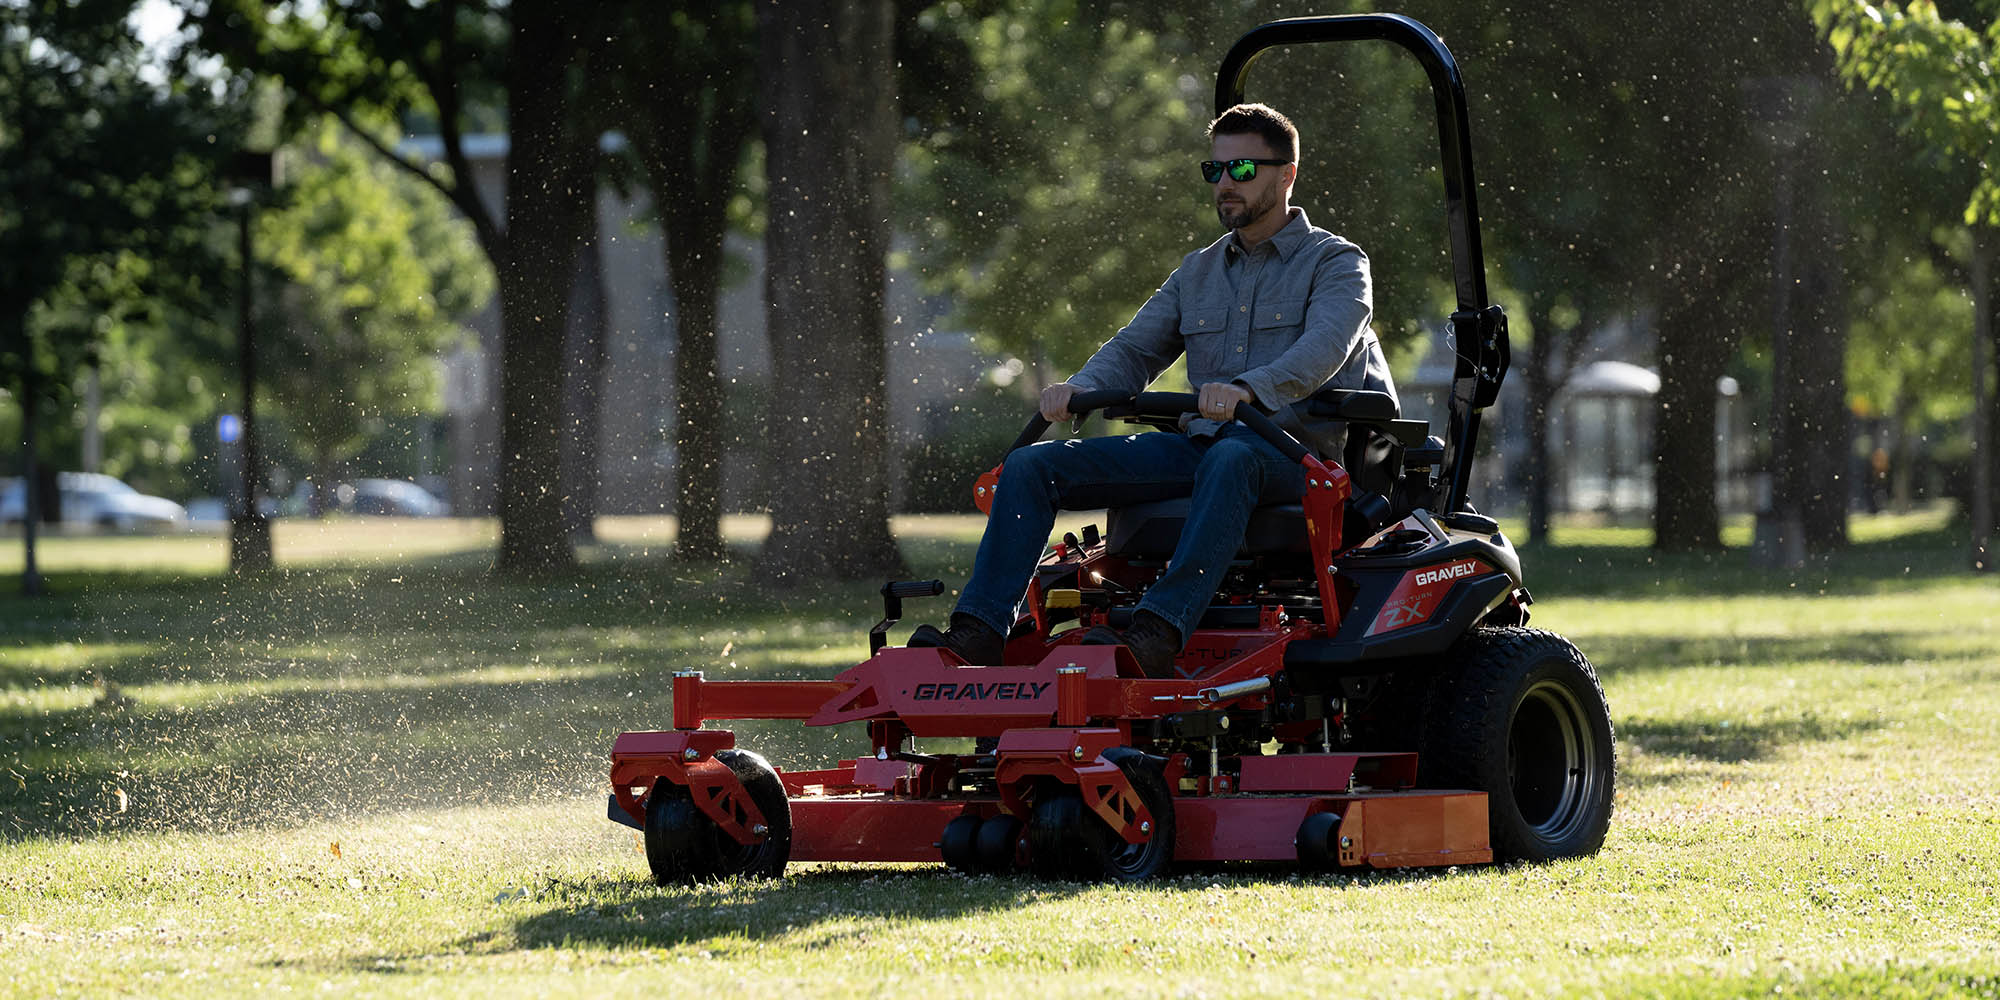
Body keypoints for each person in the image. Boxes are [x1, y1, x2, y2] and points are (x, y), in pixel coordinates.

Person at [911, 103, 1396, 678]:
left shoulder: (1336, 262)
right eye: (1213, 171)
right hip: (1203, 448)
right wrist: (1081, 389)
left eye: (1241, 171)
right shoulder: (1197, 272)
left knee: (1233, 455)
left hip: (1291, 455)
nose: (1224, 184)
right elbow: (1135, 349)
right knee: (1031, 467)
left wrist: (1248, 388)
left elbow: (1325, 347)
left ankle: (1156, 631)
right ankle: (980, 632)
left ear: (1286, 174)